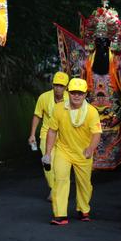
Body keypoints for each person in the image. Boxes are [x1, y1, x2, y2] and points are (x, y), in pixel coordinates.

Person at [44, 78, 102, 225]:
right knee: (61, 180)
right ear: (68, 93)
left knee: (84, 183)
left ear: (85, 95)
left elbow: (96, 134)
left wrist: (90, 149)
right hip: (63, 150)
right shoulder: (59, 108)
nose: (76, 96)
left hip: (83, 153)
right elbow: (52, 131)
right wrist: (48, 153)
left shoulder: (91, 112)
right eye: (74, 92)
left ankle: (83, 209)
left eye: (80, 93)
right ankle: (60, 215)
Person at [28, 72, 69, 200]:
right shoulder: (44, 98)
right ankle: (54, 189)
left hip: (65, 136)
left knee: (61, 164)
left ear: (66, 87)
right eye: (56, 85)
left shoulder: (71, 99)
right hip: (47, 134)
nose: (58, 88)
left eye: (61, 86)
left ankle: (59, 189)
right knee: (47, 161)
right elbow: (37, 115)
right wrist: (32, 134)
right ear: (52, 85)